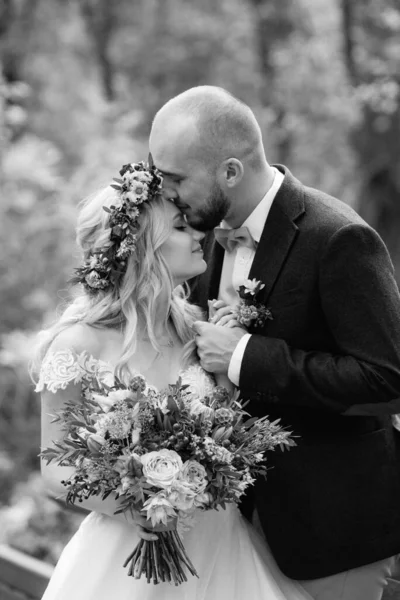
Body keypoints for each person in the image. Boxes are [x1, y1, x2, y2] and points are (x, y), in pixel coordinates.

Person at [148, 85, 400, 600]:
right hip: (233, 528)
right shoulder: (202, 243)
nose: (168, 194)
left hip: (332, 532)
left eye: (176, 179)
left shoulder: (338, 238)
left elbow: (388, 380)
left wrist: (243, 355)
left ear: (230, 173)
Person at [33, 161, 312, 599]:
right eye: (182, 227)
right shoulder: (78, 343)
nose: (201, 234)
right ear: (146, 248)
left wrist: (232, 359)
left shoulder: (198, 331)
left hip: (220, 548)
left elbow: (229, 433)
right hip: (128, 555)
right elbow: (55, 467)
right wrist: (134, 511)